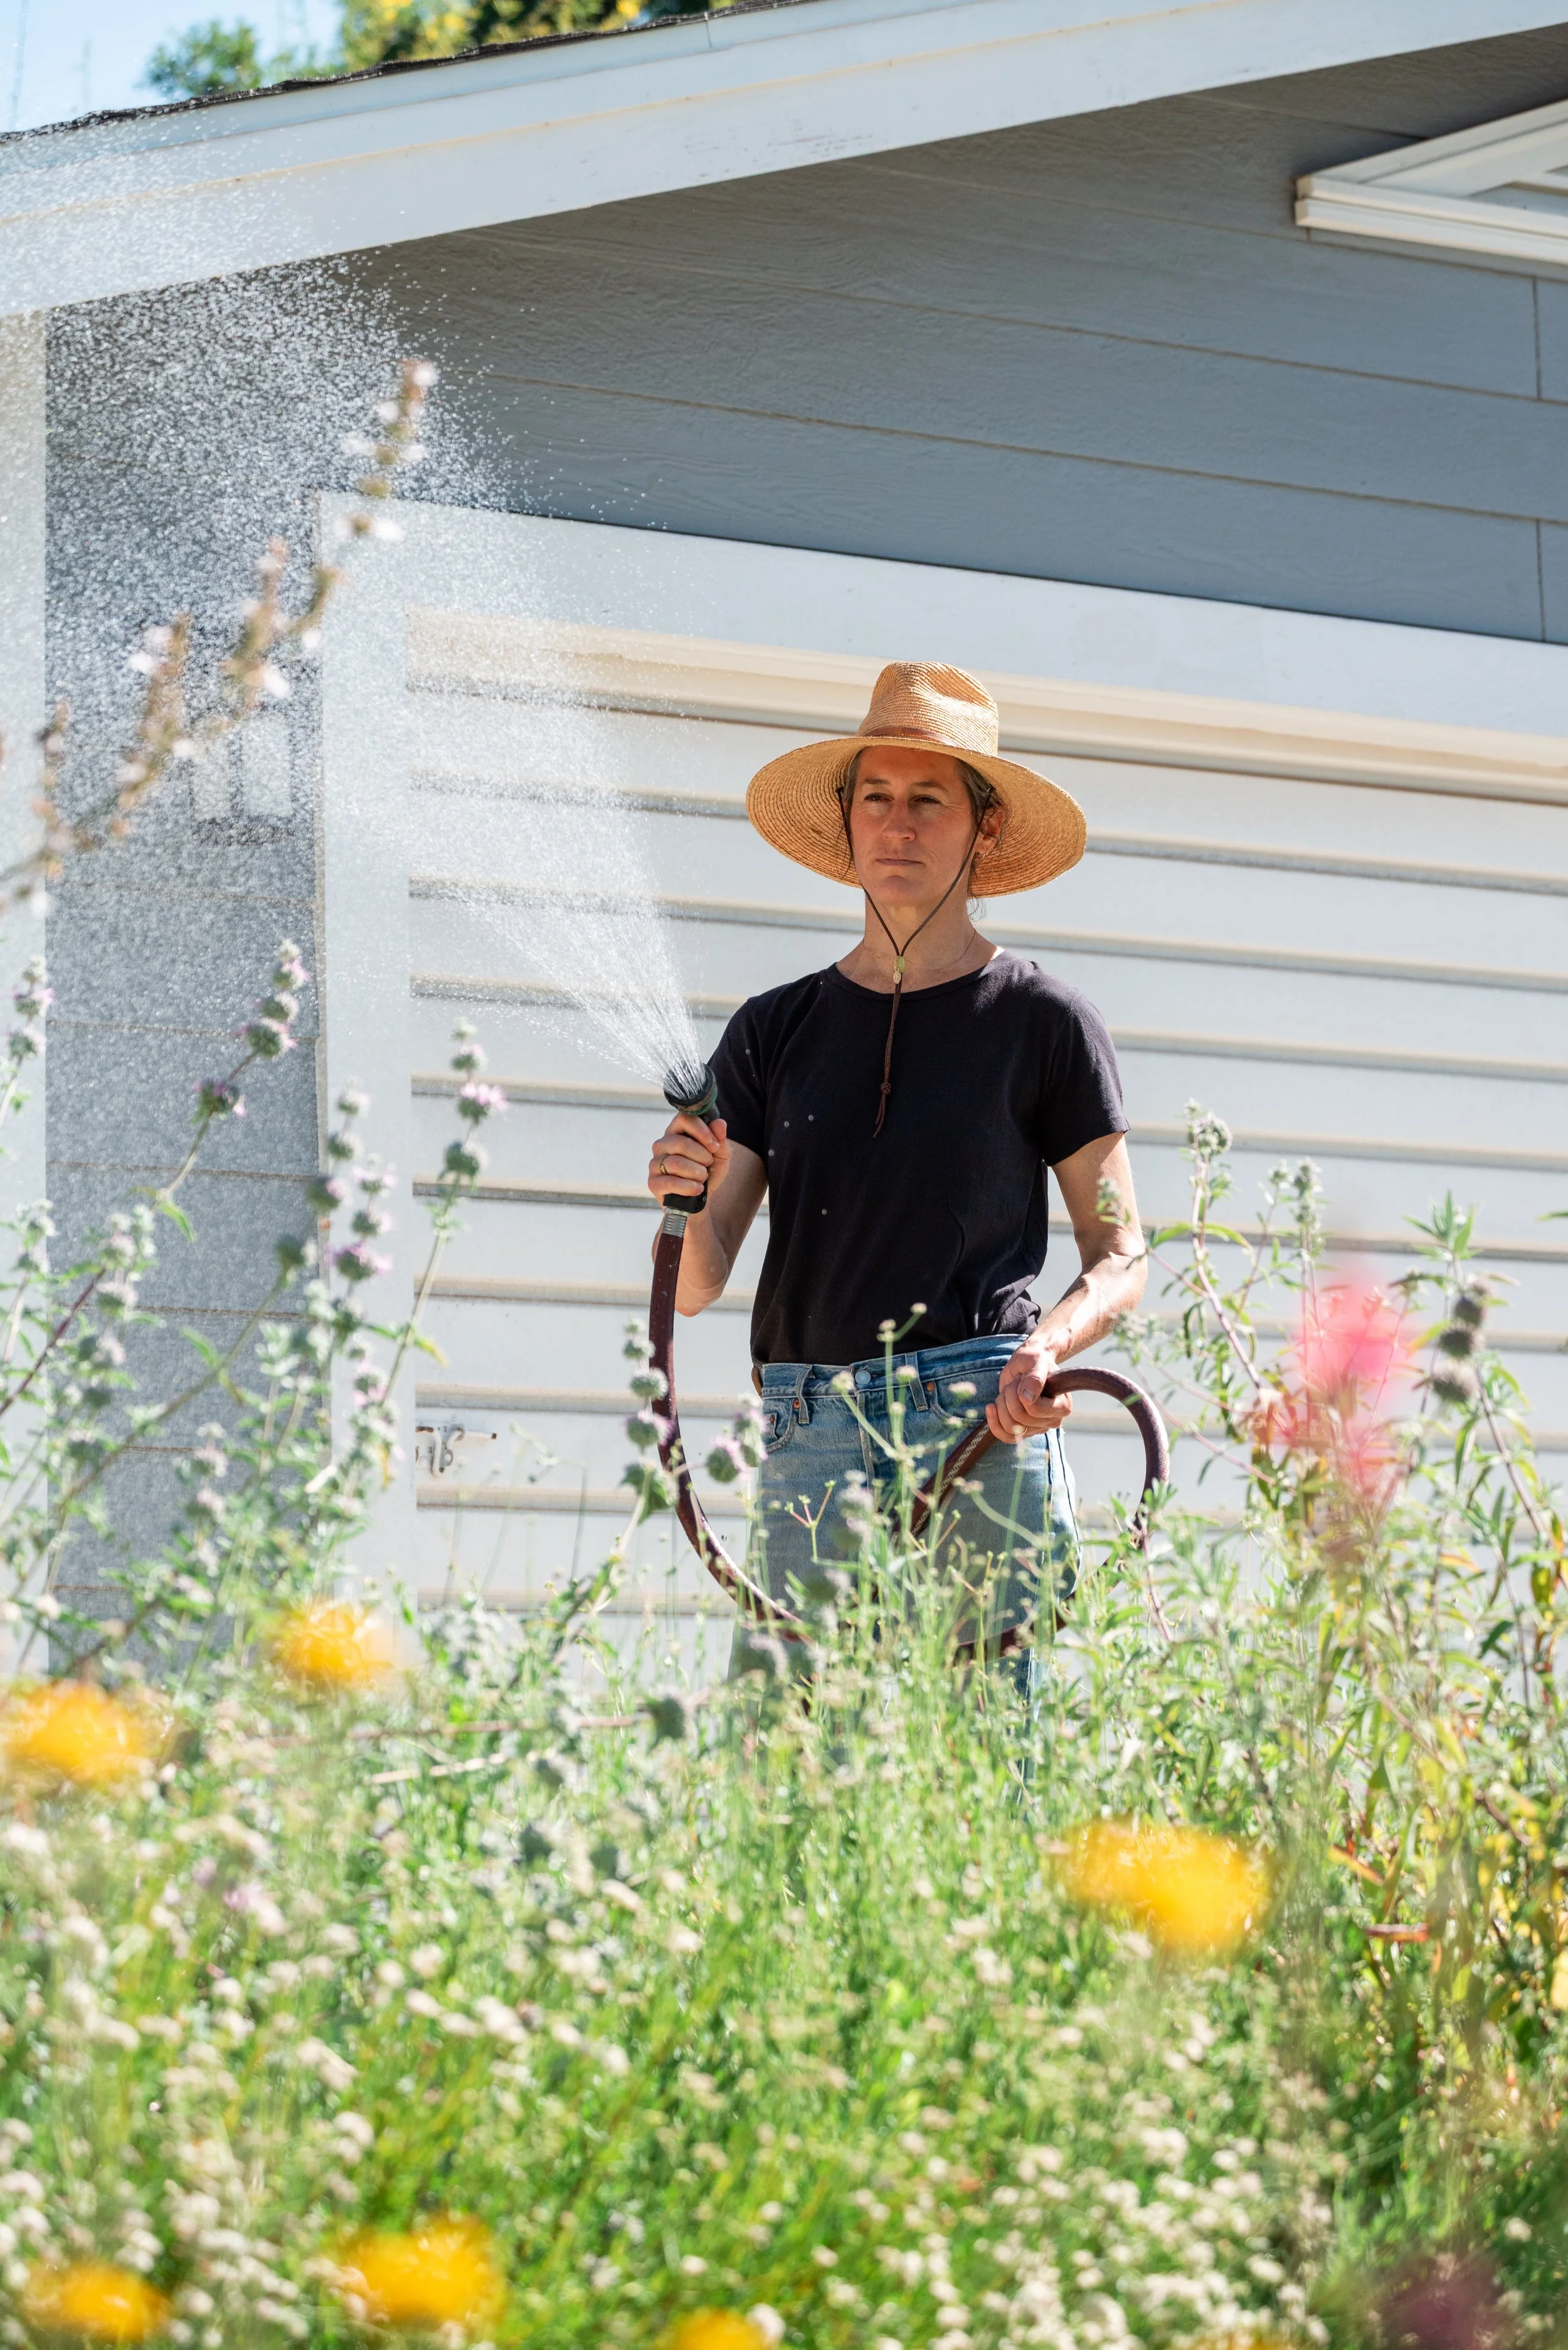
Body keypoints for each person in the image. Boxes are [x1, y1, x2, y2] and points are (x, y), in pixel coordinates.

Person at [645, 661, 1146, 1661]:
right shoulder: (771, 1031)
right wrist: (680, 1197)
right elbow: (698, 1283)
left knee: (991, 1769)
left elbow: (1121, 1250)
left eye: (929, 800)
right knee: (787, 1774)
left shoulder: (1045, 1023)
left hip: (983, 1427)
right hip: (810, 1435)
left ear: (985, 828)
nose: (898, 825)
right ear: (846, 818)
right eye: (876, 797)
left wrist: (1046, 1348)